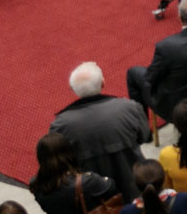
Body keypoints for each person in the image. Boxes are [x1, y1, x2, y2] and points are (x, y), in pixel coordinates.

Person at [49, 60, 149, 197]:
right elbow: (144, 136)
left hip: (96, 198)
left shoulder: (60, 126)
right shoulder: (130, 108)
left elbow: (62, 165)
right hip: (136, 186)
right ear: (103, 83)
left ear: (73, 90)